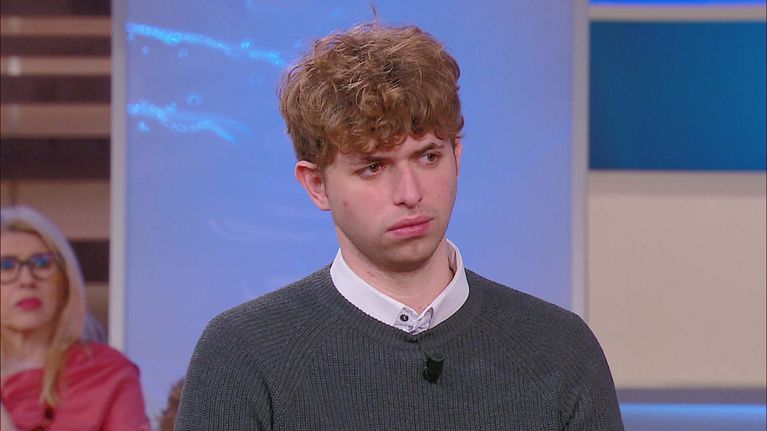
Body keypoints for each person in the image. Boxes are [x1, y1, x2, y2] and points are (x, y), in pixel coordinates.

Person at [176, 21, 623, 430]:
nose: (410, 193)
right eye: (373, 167)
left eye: (428, 156)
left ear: (457, 156)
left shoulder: (559, 348)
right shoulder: (243, 356)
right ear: (316, 185)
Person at [0, 206, 150, 431]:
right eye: (6, 266)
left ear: (65, 282)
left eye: (42, 264)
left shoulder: (108, 374)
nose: (27, 280)